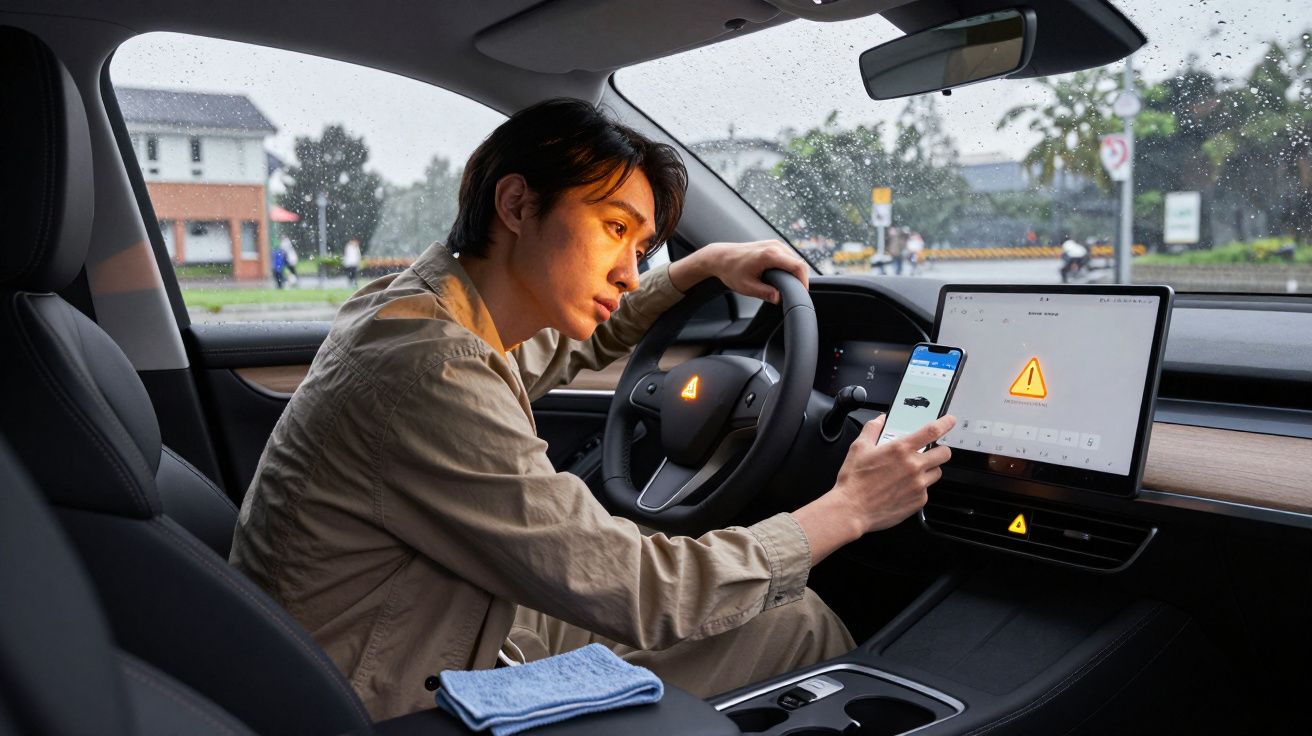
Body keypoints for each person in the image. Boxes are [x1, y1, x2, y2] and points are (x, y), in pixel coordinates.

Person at [229, 99, 955, 720]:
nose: (629, 269)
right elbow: (647, 592)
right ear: (517, 205)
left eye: (643, 247)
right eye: (614, 229)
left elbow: (562, 345)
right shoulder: (435, 372)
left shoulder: (415, 311)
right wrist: (849, 508)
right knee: (795, 622)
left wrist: (691, 271)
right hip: (386, 701)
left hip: (398, 639)